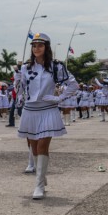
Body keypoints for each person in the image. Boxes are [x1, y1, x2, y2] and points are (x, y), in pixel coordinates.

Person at [15, 33, 78, 199]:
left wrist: (59, 98)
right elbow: (20, 87)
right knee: (33, 148)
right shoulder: (25, 68)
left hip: (48, 109)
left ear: (46, 47)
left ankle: (39, 185)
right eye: (34, 46)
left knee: (43, 146)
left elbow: (73, 85)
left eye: (40, 45)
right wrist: (19, 100)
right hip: (30, 110)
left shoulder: (56, 67)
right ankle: (41, 178)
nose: (36, 48)